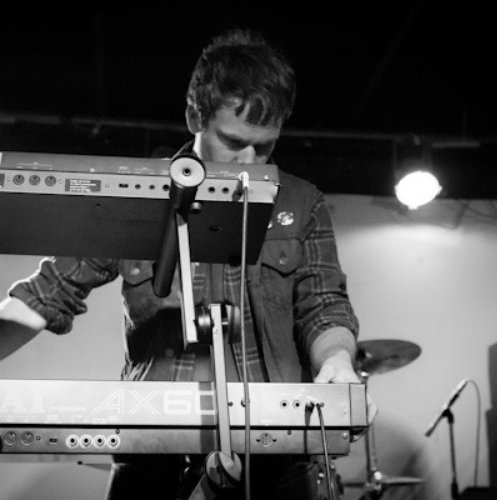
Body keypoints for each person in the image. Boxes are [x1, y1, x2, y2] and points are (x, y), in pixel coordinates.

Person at [0, 28, 374, 499]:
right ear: (195, 115)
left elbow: (324, 305)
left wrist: (337, 362)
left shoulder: (302, 203)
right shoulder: (137, 193)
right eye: (233, 141)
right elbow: (48, 291)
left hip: (277, 465)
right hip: (151, 461)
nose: (249, 161)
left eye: (264, 146)